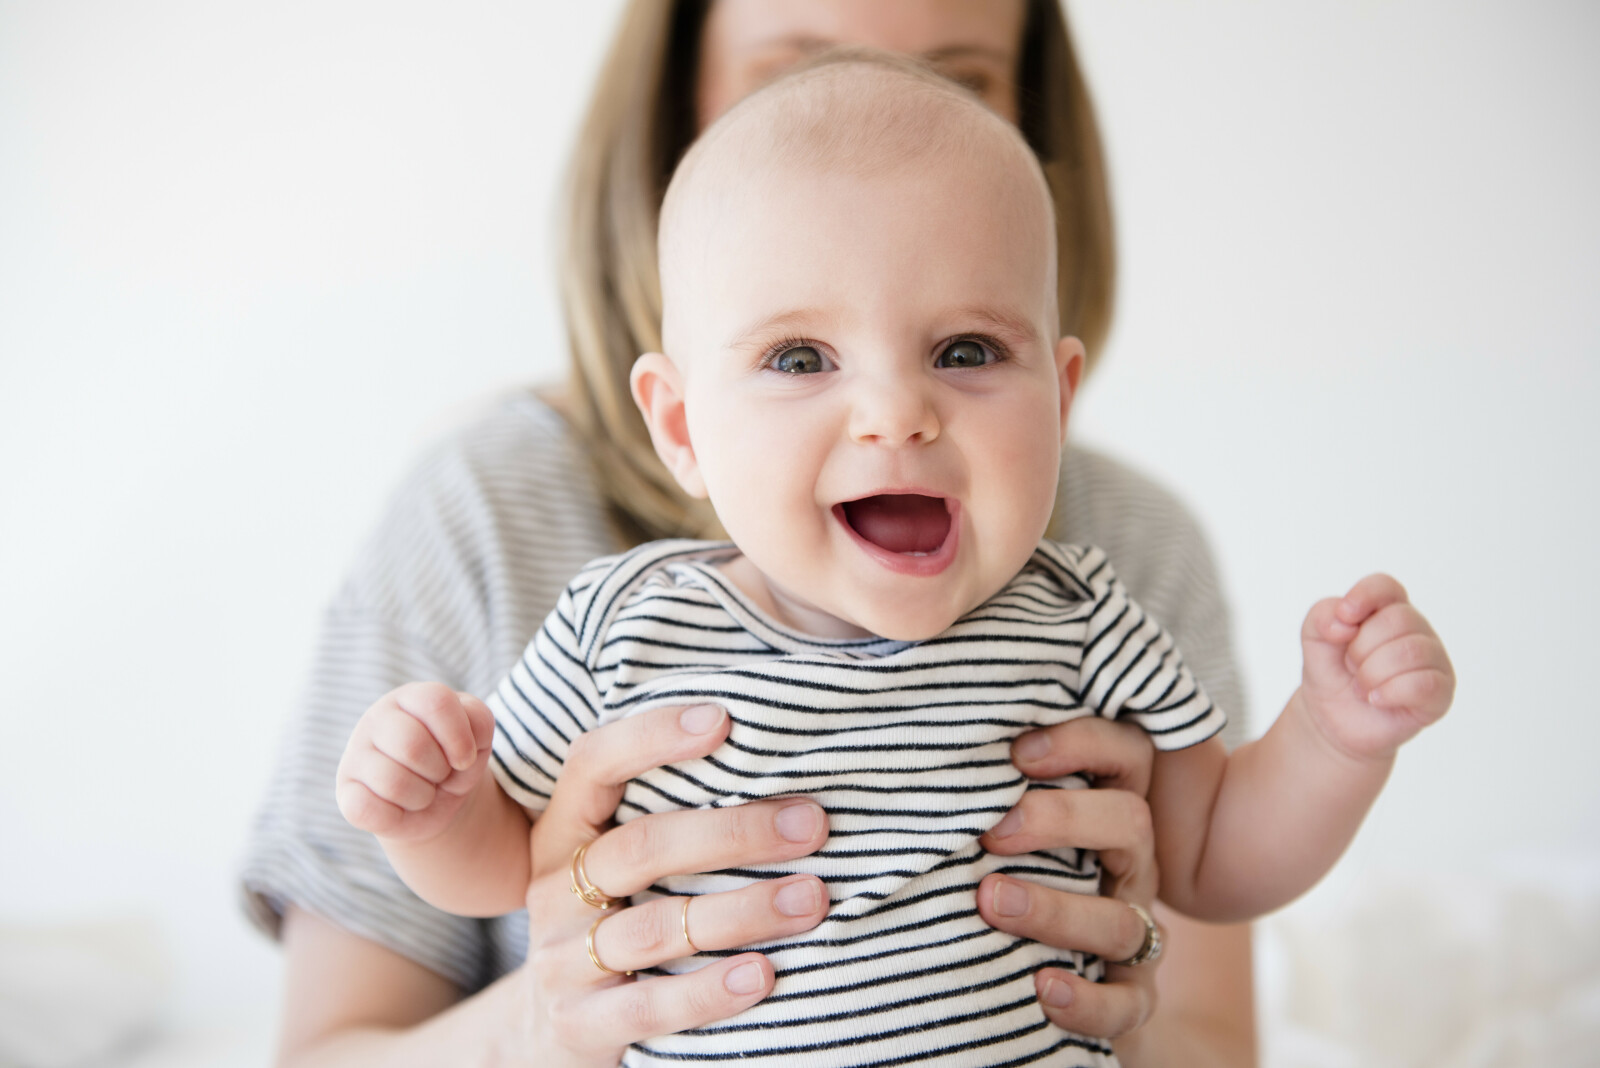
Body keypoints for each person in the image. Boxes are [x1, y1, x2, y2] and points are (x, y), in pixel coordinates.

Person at [332, 55, 1453, 1068]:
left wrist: (1331, 738)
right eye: (800, 356)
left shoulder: (1082, 618)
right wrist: (435, 812)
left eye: (965, 351)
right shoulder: (622, 626)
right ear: (681, 427)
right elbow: (506, 868)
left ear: (1058, 401)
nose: (896, 412)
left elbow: (1217, 856)